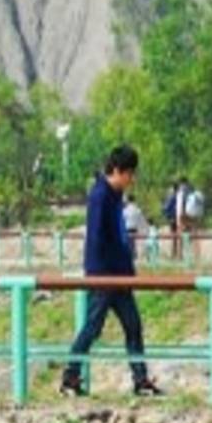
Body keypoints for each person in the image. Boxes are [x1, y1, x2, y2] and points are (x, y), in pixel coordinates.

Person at [61, 146, 162, 398]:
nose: (132, 179)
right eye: (129, 173)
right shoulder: (100, 196)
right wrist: (105, 275)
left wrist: (126, 270)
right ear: (116, 171)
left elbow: (118, 238)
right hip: (104, 275)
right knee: (93, 326)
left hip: (118, 275)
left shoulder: (114, 196)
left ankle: (140, 380)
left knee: (133, 325)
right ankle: (70, 376)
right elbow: (96, 238)